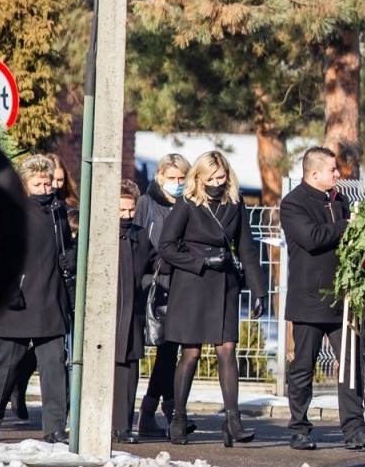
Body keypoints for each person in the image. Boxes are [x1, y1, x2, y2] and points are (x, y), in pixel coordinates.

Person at [158, 151, 267, 446]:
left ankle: (233, 420)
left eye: (222, 177)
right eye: (212, 179)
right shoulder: (187, 203)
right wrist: (202, 261)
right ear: (200, 178)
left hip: (225, 285)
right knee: (190, 353)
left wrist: (259, 291)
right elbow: (167, 246)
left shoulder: (235, 203)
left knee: (227, 349)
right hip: (192, 285)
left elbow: (247, 249)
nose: (218, 183)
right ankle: (178, 419)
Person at [279, 147, 365, 451]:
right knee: (303, 366)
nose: (337, 174)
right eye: (332, 170)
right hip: (309, 298)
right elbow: (312, 238)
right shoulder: (293, 203)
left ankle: (355, 429)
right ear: (314, 173)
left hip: (343, 298)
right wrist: (347, 226)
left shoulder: (340, 201)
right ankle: (299, 429)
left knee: (350, 366)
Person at [0, 155, 75, 442]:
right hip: (18, 303)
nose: (46, 188)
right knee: (6, 367)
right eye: (38, 184)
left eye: (49, 183)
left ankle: (55, 427)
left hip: (51, 300)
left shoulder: (59, 211)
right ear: (24, 185)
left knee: (54, 367)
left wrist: (69, 259)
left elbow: (66, 246)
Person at [135, 154, 189, 437]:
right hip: (153, 281)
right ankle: (166, 410)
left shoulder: (188, 203)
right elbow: (139, 240)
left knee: (169, 351)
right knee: (162, 347)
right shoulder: (147, 203)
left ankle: (152, 411)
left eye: (182, 178)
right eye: (172, 178)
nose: (177, 184)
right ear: (160, 178)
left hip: (181, 282)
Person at [112, 180, 153, 445]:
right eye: (121, 211)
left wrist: (147, 283)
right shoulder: (99, 232)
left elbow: (151, 266)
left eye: (131, 210)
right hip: (108, 312)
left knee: (129, 370)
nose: (127, 216)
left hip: (133, 310)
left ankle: (124, 425)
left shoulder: (141, 235)